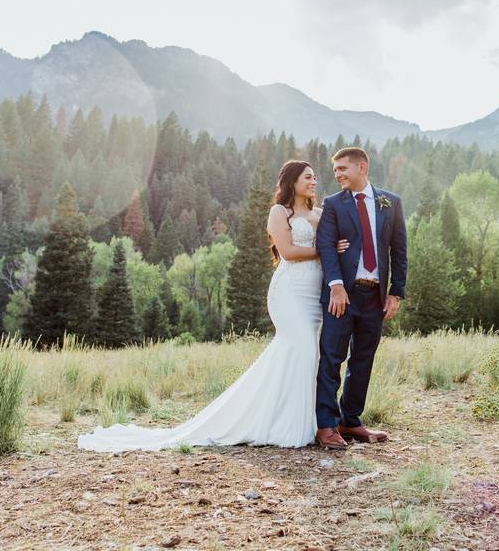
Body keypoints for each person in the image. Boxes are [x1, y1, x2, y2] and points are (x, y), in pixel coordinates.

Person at [77, 160, 347, 451]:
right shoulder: (279, 212)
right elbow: (289, 252)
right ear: (292, 181)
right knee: (302, 346)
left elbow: (339, 240)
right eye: (307, 177)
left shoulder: (319, 213)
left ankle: (298, 420)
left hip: (313, 294)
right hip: (290, 292)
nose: (313, 181)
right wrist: (325, 248)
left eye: (314, 178)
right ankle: (280, 424)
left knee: (308, 356)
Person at [314, 147, 407, 450]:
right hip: (341, 296)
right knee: (332, 357)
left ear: (362, 167)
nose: (337, 174)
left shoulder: (390, 203)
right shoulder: (332, 205)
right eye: (336, 170)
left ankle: (350, 421)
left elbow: (399, 251)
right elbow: (326, 247)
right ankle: (326, 425)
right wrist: (336, 286)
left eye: (343, 168)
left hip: (375, 296)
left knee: (363, 359)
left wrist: (396, 292)